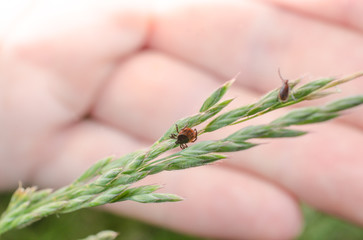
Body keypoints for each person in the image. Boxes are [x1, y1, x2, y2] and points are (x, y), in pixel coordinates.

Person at [1, 1, 363, 239]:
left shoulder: (183, 135)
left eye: (182, 138)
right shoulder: (185, 137)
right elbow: (186, 135)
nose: (182, 138)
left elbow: (185, 134)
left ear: (181, 138)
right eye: (182, 138)